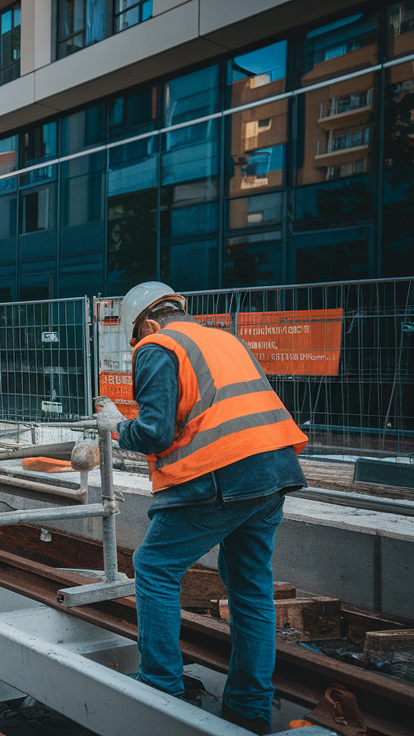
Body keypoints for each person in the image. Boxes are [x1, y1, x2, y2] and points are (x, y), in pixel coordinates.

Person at [96, 281, 308, 735]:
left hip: (221, 475)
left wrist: (116, 426)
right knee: (251, 587)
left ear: (148, 323)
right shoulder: (224, 339)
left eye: (137, 337)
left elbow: (155, 433)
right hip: (274, 470)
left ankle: (160, 686)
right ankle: (249, 706)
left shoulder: (158, 344)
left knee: (153, 566)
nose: (139, 345)